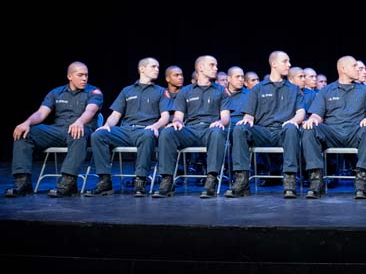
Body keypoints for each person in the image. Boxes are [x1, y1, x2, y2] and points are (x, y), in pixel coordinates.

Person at [5, 61, 104, 198]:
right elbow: (41, 113)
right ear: (70, 76)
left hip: (82, 129)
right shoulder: (56, 92)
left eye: (86, 75)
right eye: (80, 75)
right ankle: (23, 182)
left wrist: (79, 121)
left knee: (78, 133)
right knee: (25, 134)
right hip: (58, 130)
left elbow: (91, 110)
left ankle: (68, 183)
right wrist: (26, 122)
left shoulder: (94, 92)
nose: (84, 78)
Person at [84, 58, 171, 197]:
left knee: (147, 135)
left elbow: (165, 116)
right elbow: (115, 115)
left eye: (158, 67)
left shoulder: (161, 91)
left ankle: (140, 180)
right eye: (153, 66)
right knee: (98, 135)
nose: (157, 69)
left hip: (145, 130)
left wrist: (155, 126)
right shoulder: (127, 90)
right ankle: (104, 180)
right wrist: (106, 126)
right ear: (142, 69)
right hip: (126, 130)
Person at [226, 51, 304, 199]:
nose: (289, 64)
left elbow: (300, 112)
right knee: (240, 128)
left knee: (292, 129)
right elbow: (249, 114)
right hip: (262, 132)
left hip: (283, 131)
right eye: (285, 61)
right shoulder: (258, 88)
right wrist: (248, 119)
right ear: (274, 64)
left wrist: (294, 121)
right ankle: (242, 179)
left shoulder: (294, 89)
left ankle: (289, 180)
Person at [302, 55, 366, 199]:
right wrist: (312, 119)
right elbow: (317, 115)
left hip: (355, 131)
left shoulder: (365, 90)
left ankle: (361, 180)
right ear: (342, 69)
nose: (358, 69)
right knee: (309, 128)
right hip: (332, 132)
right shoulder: (327, 90)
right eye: (354, 66)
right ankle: (316, 180)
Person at [152, 55, 230, 198]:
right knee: (167, 132)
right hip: (191, 130)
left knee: (218, 132)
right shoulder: (185, 91)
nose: (216, 68)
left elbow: (225, 116)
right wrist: (176, 122)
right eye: (212, 65)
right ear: (200, 68)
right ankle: (167, 180)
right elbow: (178, 116)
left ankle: (211, 180)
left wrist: (220, 122)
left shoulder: (221, 90)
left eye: (216, 65)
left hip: (210, 129)